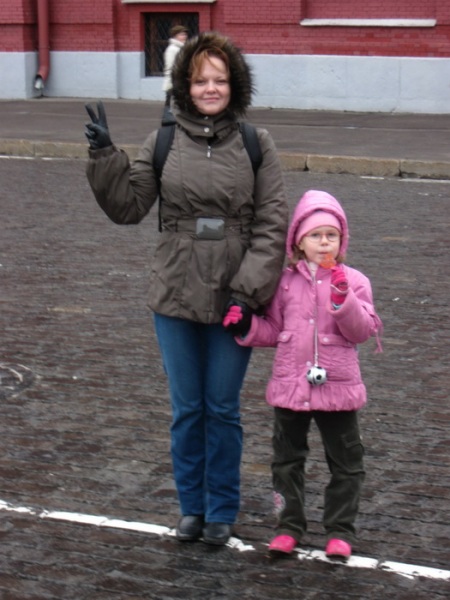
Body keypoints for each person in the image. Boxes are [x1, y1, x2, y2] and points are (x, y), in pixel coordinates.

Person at [84, 32, 288, 546]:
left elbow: (272, 225)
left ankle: (221, 508)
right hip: (174, 291)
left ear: (234, 85)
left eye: (220, 79)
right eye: (200, 80)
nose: (210, 88)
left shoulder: (255, 143)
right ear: (185, 86)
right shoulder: (163, 142)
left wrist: (248, 293)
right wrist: (105, 155)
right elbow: (128, 207)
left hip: (235, 295)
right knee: (187, 410)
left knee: (222, 408)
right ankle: (191, 507)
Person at [225, 189, 382, 558]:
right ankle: (288, 525)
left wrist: (343, 301)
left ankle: (340, 530)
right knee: (287, 460)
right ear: (298, 241)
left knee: (346, 463)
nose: (324, 242)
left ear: (342, 240)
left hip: (338, 388)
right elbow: (273, 330)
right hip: (291, 387)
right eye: (315, 235)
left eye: (332, 235)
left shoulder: (355, 280)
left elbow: (362, 332)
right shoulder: (283, 283)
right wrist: (246, 325)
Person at [162, 25, 188, 120]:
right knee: (171, 102)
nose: (184, 36)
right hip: (174, 81)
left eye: (185, 34)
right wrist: (173, 81)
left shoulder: (181, 48)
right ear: (175, 36)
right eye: (181, 34)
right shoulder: (172, 49)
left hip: (181, 80)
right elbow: (170, 67)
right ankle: (167, 120)